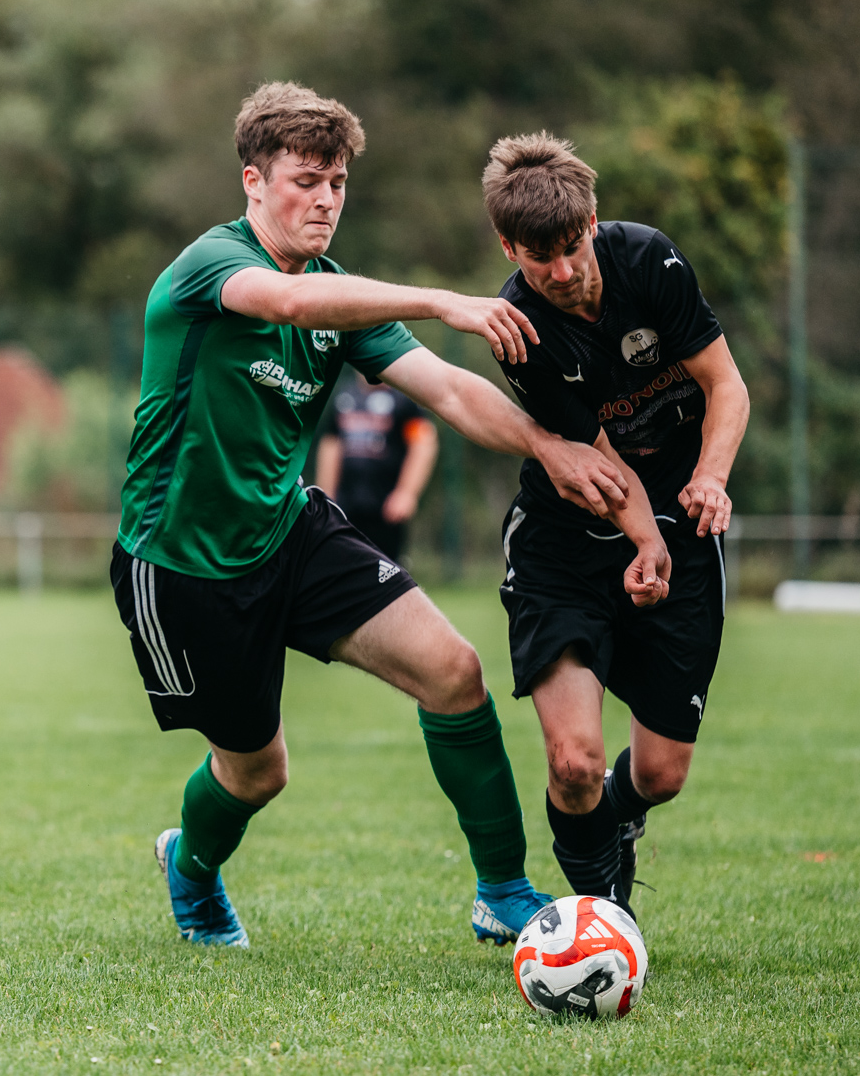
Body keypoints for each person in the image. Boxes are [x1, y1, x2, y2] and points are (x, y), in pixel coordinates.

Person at [112, 83, 634, 950]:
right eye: (305, 181)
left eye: (339, 184)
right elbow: (283, 303)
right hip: (183, 564)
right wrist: (440, 299)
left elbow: (450, 389)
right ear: (253, 182)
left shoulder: (340, 296)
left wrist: (548, 446)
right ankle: (191, 869)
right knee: (257, 772)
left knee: (453, 671)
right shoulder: (212, 265)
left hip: (292, 530)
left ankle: (502, 891)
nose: (324, 201)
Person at [481, 133, 750, 918]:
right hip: (567, 538)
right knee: (574, 762)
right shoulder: (517, 325)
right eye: (538, 259)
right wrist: (646, 541)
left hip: (679, 521)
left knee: (661, 774)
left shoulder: (651, 263)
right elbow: (597, 464)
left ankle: (614, 819)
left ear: (592, 222)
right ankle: (602, 922)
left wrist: (710, 478)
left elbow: (725, 386)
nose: (560, 273)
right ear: (508, 246)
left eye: (570, 248)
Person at [314, 372, 437, 564]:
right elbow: (331, 445)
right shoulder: (344, 397)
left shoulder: (404, 399)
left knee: (386, 570)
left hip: (385, 507)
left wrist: (406, 493)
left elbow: (423, 445)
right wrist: (326, 494)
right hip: (346, 504)